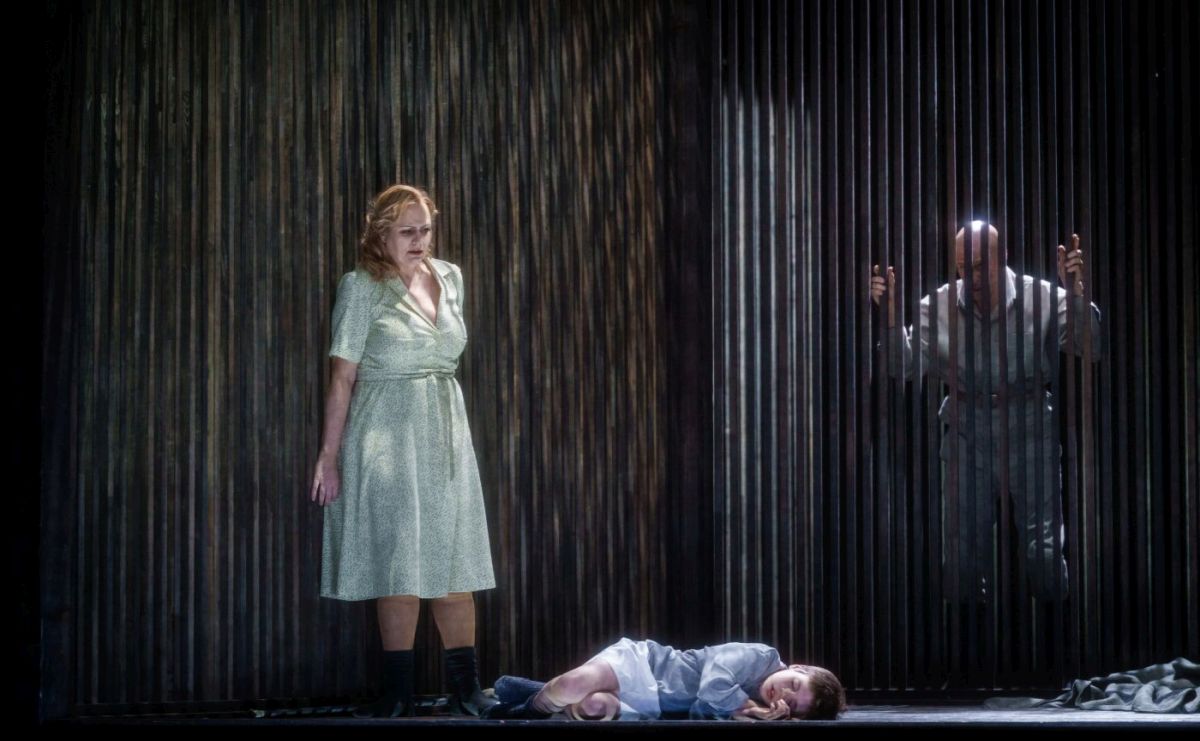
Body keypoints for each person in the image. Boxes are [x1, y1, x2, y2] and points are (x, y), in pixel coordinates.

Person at [310, 183, 498, 717]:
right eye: (406, 232)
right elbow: (342, 376)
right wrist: (328, 455)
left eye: (425, 230)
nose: (419, 240)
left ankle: (467, 689)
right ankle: (397, 694)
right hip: (386, 435)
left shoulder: (450, 277)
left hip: (445, 429)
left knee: (457, 561)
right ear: (381, 235)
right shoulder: (362, 286)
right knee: (400, 565)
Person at [870, 221, 1101, 602]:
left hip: (1030, 429)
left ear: (1002, 257)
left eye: (980, 265)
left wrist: (1077, 296)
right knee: (960, 563)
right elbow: (903, 369)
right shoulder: (936, 307)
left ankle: (1058, 628)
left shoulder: (1041, 296)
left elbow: (1091, 347)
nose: (972, 277)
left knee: (1044, 558)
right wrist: (891, 320)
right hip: (967, 432)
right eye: (964, 267)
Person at [483, 637, 846, 721]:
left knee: (592, 706)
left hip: (650, 706)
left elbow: (700, 711)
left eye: (791, 702)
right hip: (644, 665)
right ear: (797, 667)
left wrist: (753, 714)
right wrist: (749, 706)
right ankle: (522, 710)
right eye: (793, 684)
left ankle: (524, 690)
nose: (781, 692)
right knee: (570, 687)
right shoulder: (761, 656)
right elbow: (713, 682)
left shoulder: (759, 712)